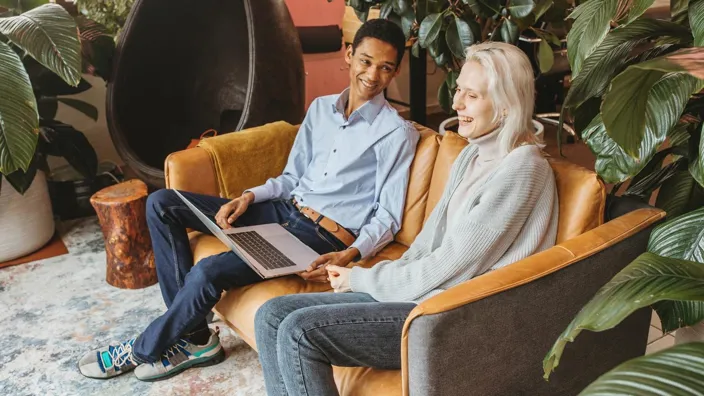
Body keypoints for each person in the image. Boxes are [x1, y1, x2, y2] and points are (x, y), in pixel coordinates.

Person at [77, 18, 419, 382]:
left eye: (385, 67)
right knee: (163, 203)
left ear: (395, 70)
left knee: (210, 270)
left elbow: (387, 216)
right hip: (282, 210)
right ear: (349, 56)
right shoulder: (320, 110)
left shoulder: (396, 133)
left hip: (319, 237)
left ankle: (141, 349)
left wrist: (351, 254)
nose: (373, 74)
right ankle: (195, 338)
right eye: (366, 61)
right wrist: (248, 196)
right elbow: (292, 178)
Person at [253, 41, 560, 396]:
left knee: (299, 331)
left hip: (458, 315)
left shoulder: (522, 170)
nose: (456, 103)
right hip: (424, 298)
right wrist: (378, 278)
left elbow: (450, 266)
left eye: (471, 96)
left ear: (507, 106)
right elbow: (428, 245)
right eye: (458, 89)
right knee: (271, 314)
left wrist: (363, 280)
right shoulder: (472, 156)